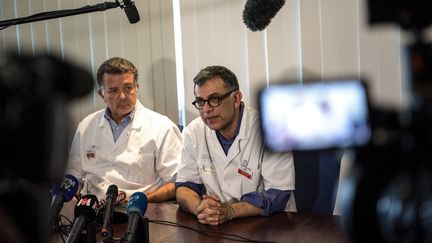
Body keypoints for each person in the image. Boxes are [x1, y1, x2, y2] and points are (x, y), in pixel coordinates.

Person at [175, 65, 295, 225]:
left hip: (270, 224)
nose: (206, 109)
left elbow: (278, 194)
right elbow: (185, 186)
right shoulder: (193, 131)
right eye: (200, 101)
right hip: (218, 226)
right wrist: (201, 209)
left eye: (214, 99)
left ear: (236, 99)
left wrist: (231, 211)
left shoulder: (271, 128)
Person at [66, 57, 182, 203]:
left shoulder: (162, 127)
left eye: (128, 88)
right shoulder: (86, 126)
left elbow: (176, 182)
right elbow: (73, 178)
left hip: (142, 211)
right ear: (102, 94)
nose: (122, 96)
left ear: (136, 88)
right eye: (113, 90)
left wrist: (142, 201)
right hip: (92, 210)